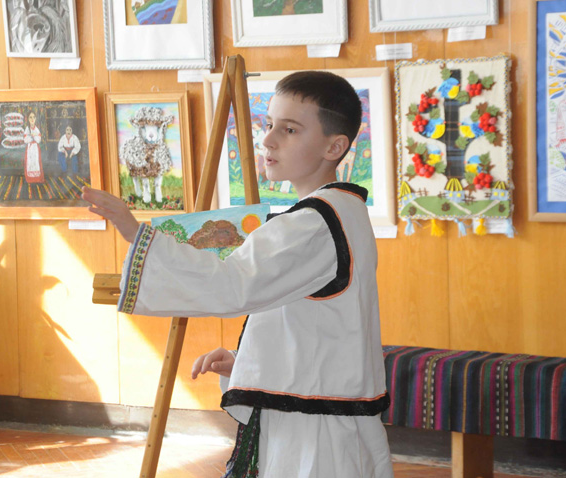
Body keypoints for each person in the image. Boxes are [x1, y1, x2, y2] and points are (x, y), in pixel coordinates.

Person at [82, 70, 392, 478]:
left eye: (290, 129)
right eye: (269, 124)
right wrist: (249, 362)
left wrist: (134, 232)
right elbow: (313, 320)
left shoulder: (313, 223)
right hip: (320, 415)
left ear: (334, 146)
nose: (268, 140)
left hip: (316, 432)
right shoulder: (341, 210)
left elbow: (231, 286)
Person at [23, 110, 44, 183]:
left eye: (34, 117)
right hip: (30, 148)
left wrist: (34, 136)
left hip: (35, 148)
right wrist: (32, 137)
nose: (32, 119)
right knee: (30, 162)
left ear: (35, 119)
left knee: (36, 162)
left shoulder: (36, 129)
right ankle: (30, 179)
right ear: (28, 119)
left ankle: (37, 178)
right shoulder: (27, 129)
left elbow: (39, 139)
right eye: (30, 117)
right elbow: (25, 140)